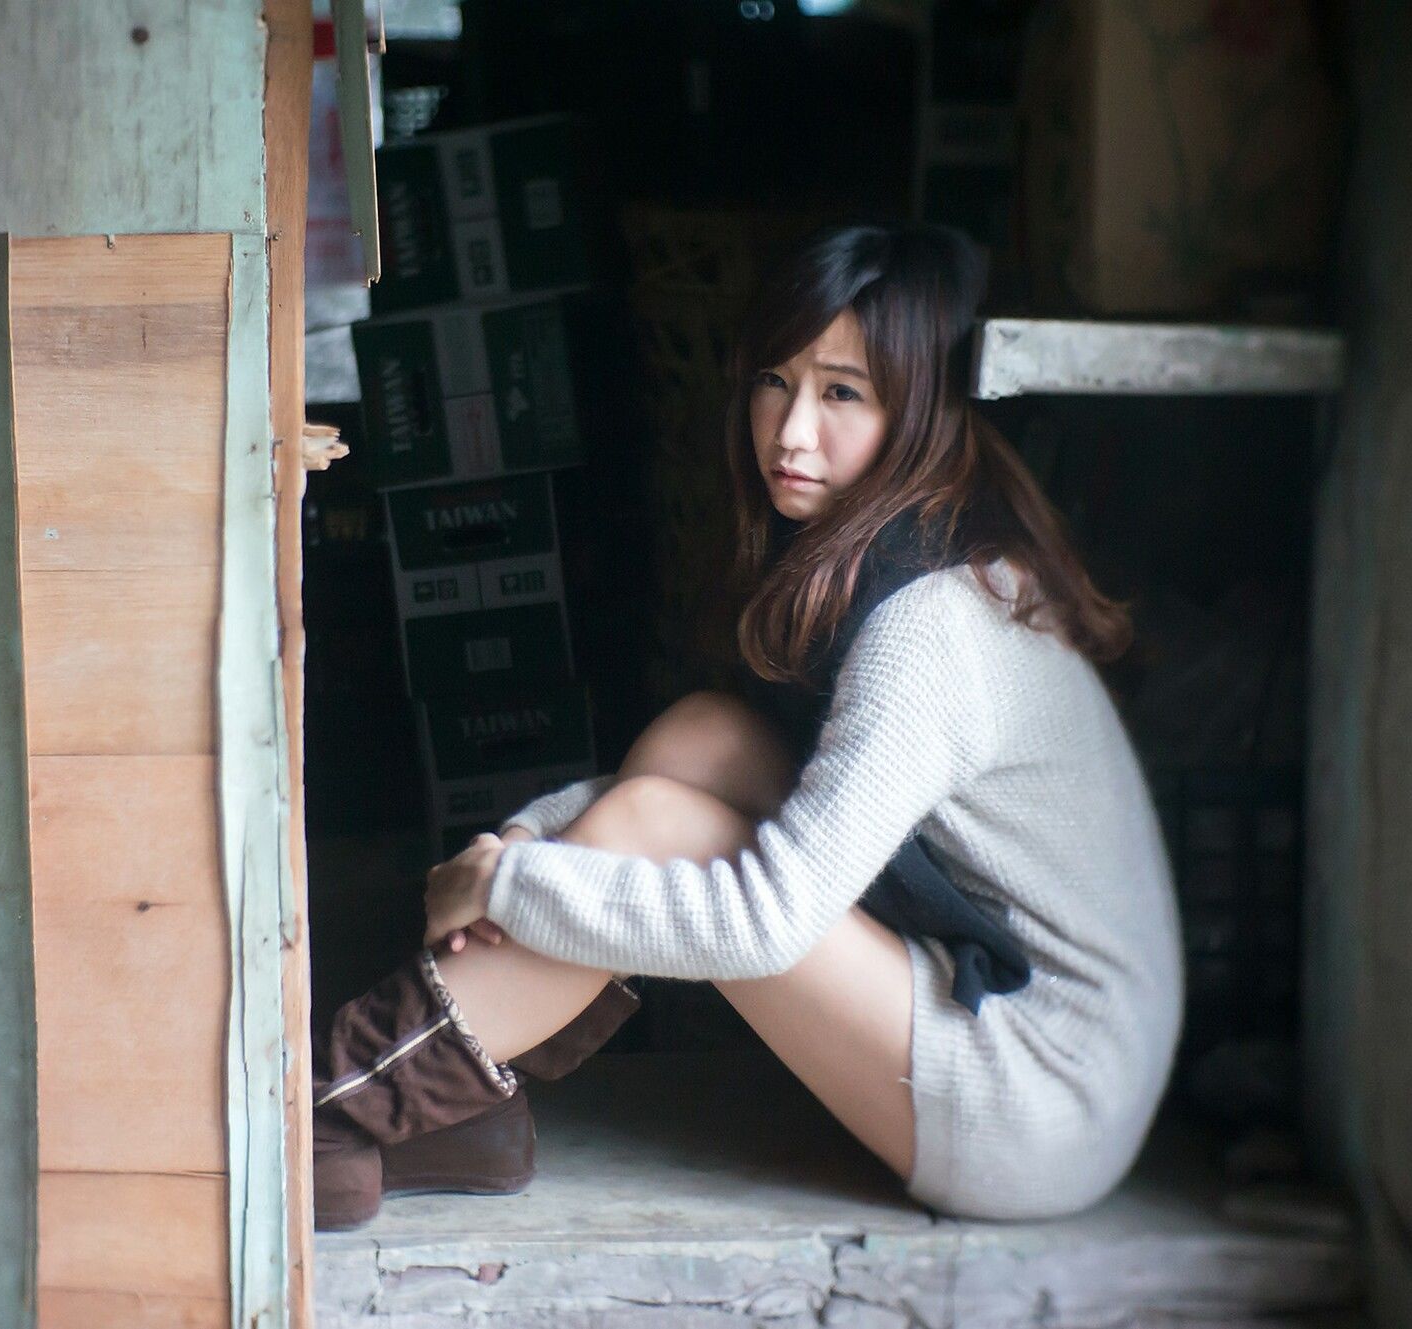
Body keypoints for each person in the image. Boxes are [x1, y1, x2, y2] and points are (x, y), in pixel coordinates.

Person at [311, 224, 1184, 1231]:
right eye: (775, 381)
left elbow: (766, 921)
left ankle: (339, 1107)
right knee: (707, 737)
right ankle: (459, 1101)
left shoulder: (933, 626)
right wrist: (514, 847)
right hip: (1001, 1016)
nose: (790, 433)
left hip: (1037, 1102)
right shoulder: (926, 544)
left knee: (663, 828)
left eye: (842, 394)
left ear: (918, 414)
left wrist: (504, 888)